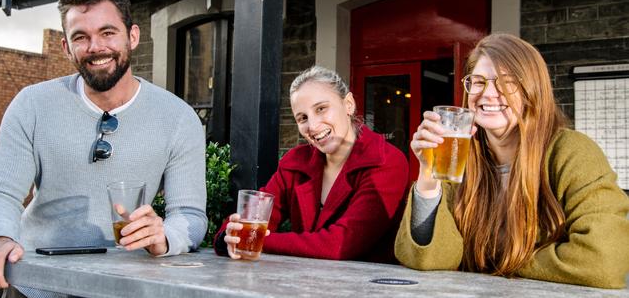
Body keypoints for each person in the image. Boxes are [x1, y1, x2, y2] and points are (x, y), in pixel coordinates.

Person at [0, 0, 207, 295]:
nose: (96, 47)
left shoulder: (179, 118)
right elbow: (1, 193)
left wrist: (165, 236)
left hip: (125, 288)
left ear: (133, 36)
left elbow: (190, 214)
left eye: (107, 32)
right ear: (66, 47)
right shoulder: (32, 104)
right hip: (34, 285)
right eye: (80, 37)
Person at [395, 33, 629, 288]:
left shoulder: (572, 152)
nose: (489, 93)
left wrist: (504, 261)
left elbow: (604, 261)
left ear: (532, 90)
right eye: (478, 81)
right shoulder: (461, 157)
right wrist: (428, 177)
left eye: (507, 83)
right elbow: (431, 259)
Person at [215, 66, 411, 262]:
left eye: (321, 109)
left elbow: (340, 245)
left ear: (348, 104)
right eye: (302, 118)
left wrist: (254, 240)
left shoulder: (386, 161)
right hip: (305, 285)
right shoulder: (296, 163)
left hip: (368, 287)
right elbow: (252, 218)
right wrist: (230, 237)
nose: (313, 126)